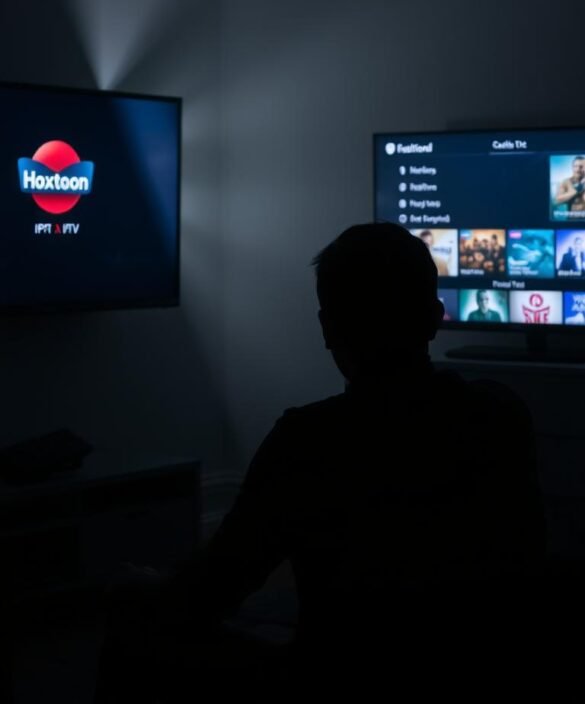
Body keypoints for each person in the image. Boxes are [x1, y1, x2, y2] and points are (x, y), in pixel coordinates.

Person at [95, 223, 545, 702]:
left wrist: (144, 588)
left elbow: (213, 589)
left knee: (130, 608)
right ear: (435, 318)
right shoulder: (500, 413)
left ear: (328, 328)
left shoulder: (306, 442)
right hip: (480, 670)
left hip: (333, 677)